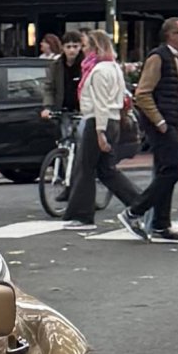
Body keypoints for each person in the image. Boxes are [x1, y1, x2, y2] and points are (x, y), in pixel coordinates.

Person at [118, 17, 178, 244]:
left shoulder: (176, 59)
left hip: (171, 122)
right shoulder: (158, 57)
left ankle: (161, 224)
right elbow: (143, 93)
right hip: (160, 124)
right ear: (171, 35)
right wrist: (159, 121)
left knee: (164, 171)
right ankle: (133, 212)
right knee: (171, 171)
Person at [64, 30, 143, 231]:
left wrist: (100, 132)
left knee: (86, 168)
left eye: (85, 46)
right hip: (113, 120)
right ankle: (140, 202)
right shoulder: (114, 67)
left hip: (98, 121)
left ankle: (82, 216)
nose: (83, 50)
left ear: (95, 47)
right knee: (106, 170)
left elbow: (100, 103)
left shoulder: (98, 71)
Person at [40, 33, 84, 123]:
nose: (72, 50)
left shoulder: (85, 65)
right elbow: (49, 88)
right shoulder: (56, 66)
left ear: (80, 47)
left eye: (75, 46)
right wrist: (47, 107)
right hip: (62, 111)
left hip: (82, 111)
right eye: (68, 47)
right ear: (63, 47)